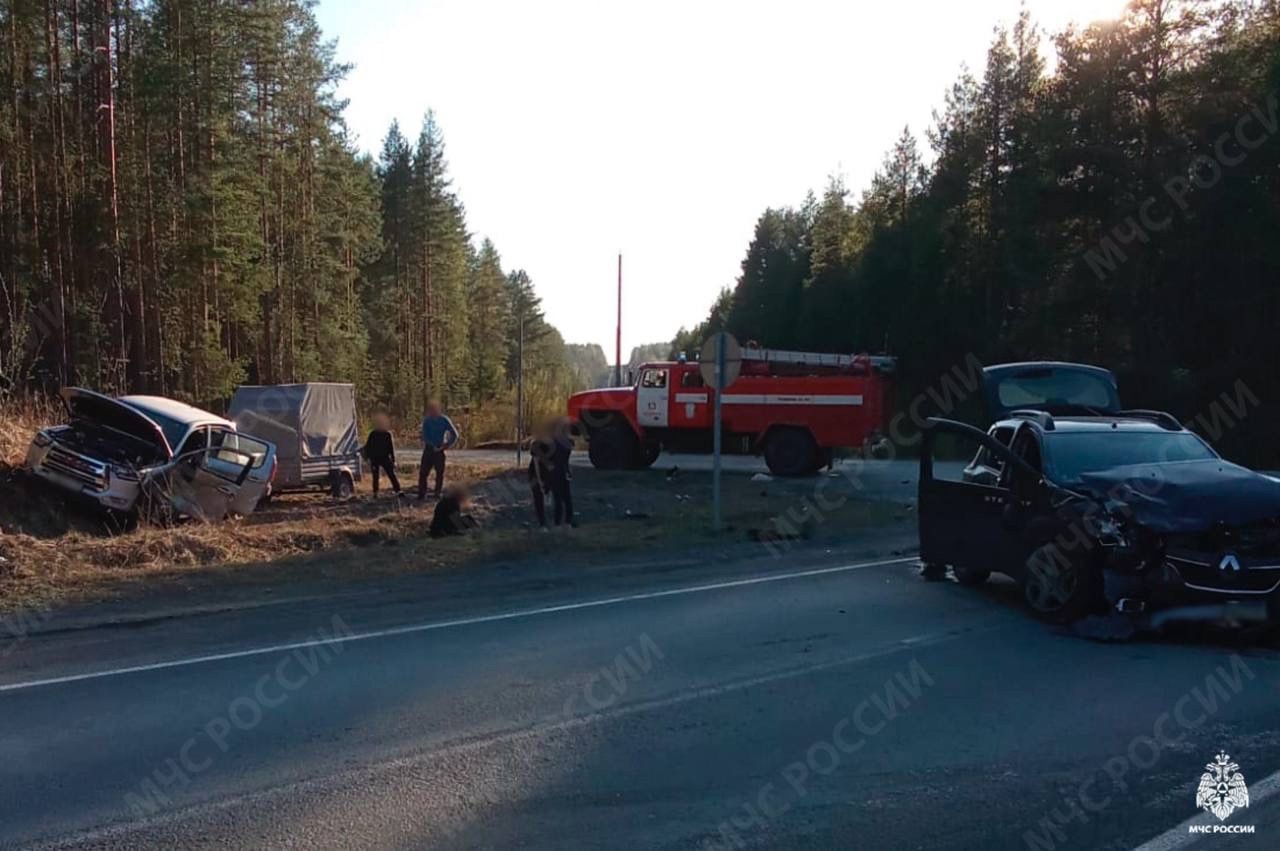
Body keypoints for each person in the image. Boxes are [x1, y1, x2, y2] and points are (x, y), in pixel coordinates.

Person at [417, 400, 459, 501]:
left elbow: (454, 434)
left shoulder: (444, 420)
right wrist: (433, 445)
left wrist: (447, 444)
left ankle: (437, 493)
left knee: (440, 473)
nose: (432, 411)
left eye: (434, 409)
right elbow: (424, 436)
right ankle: (422, 494)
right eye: (430, 409)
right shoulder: (427, 421)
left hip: (440, 449)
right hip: (429, 449)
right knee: (423, 472)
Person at [362, 412, 400, 497]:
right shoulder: (373, 434)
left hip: (385, 457)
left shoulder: (387, 434)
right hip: (375, 458)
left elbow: (391, 448)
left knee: (391, 474)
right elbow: (368, 446)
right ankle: (375, 492)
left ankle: (398, 490)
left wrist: (393, 460)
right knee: (375, 476)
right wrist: (367, 457)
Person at [548, 416, 576, 527]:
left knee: (557, 498)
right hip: (564, 470)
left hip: (554, 472)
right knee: (567, 498)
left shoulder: (551, 441)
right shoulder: (567, 441)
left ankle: (557, 522)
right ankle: (568, 521)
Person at [527, 427, 554, 530]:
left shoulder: (552, 444)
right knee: (538, 496)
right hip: (535, 474)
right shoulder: (536, 445)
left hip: (546, 472)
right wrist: (540, 481)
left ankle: (549, 520)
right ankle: (542, 523)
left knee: (546, 493)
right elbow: (536, 465)